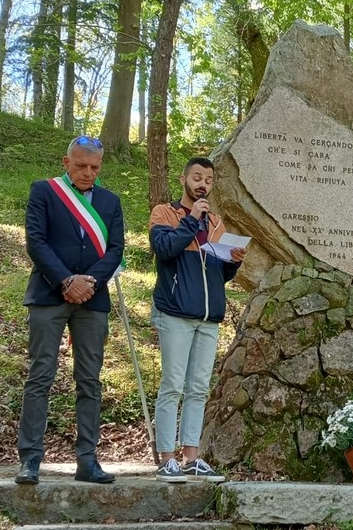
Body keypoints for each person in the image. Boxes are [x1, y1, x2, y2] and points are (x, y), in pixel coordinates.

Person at [15, 135, 125, 485]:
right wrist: (66, 281)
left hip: (93, 299)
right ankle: (30, 459)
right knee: (40, 375)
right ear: (66, 163)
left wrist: (89, 282)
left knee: (90, 380)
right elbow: (36, 242)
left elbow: (116, 249)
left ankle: (87, 460)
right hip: (49, 295)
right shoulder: (44, 192)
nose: (88, 173)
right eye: (80, 166)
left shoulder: (110, 202)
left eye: (95, 167)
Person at [149, 157, 245, 483]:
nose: (203, 184)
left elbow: (218, 274)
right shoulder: (165, 213)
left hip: (208, 318)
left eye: (208, 179)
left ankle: (191, 457)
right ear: (183, 179)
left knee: (199, 388)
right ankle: (166, 459)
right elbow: (164, 249)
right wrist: (191, 220)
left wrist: (233, 262)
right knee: (173, 385)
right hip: (175, 312)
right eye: (197, 177)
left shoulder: (216, 223)